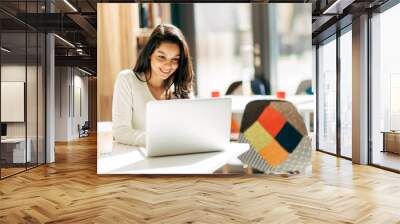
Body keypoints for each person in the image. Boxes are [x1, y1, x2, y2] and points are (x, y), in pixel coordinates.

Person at [112, 24, 194, 147]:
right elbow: (120, 131)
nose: (168, 65)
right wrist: (158, 140)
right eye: (161, 57)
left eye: (175, 59)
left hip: (176, 156)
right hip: (139, 159)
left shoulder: (181, 88)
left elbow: (192, 129)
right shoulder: (127, 80)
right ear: (150, 54)